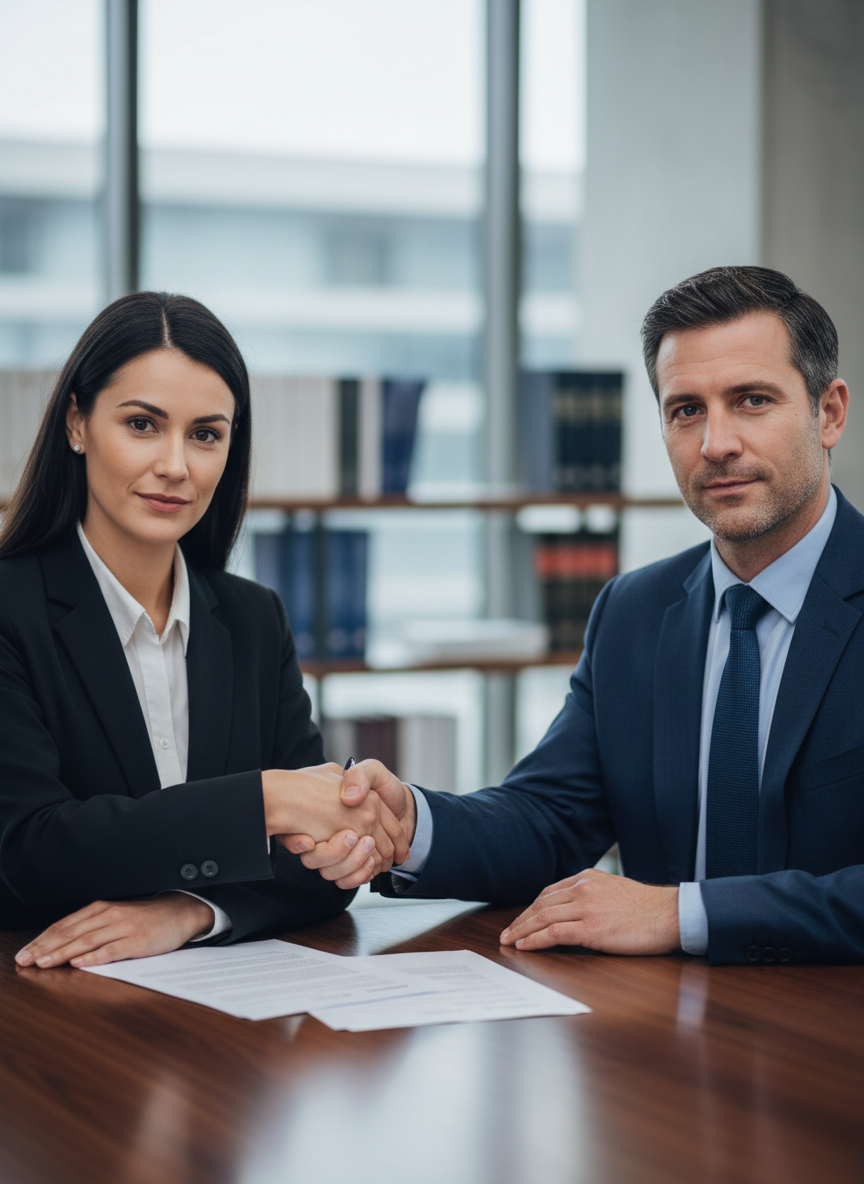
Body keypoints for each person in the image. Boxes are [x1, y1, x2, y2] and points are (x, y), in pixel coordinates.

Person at [287, 266, 864, 965]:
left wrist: (680, 912)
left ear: (828, 413)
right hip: (660, 1032)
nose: (716, 443)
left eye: (751, 401)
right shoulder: (634, 612)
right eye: (686, 410)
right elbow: (551, 819)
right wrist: (411, 823)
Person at [2, 291, 404, 971]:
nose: (176, 466)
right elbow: (30, 848)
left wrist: (191, 911)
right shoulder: (12, 611)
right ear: (77, 422)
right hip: (46, 1006)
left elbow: (315, 867)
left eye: (205, 434)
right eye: (141, 424)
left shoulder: (252, 618)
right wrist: (267, 801)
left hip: (221, 1016)